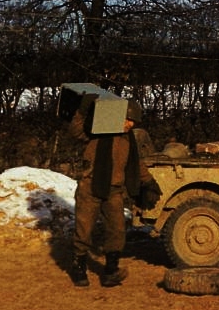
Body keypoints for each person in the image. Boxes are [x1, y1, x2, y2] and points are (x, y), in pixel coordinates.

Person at [68, 94, 161, 288]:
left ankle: (111, 271)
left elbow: (136, 164)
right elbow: (76, 131)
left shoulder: (129, 140)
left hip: (114, 190)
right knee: (84, 231)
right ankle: (79, 269)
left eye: (133, 122)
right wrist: (81, 111)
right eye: (128, 120)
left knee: (117, 230)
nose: (130, 125)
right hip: (90, 187)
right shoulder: (98, 130)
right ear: (119, 116)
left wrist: (149, 182)